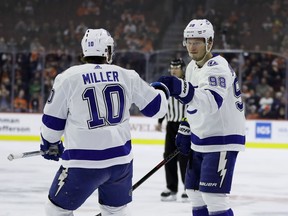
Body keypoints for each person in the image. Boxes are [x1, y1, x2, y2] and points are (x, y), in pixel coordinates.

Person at [39, 28, 170, 216]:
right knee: (115, 211)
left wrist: (50, 143)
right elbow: (157, 108)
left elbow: (52, 123)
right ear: (108, 51)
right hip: (120, 163)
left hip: (83, 163)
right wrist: (160, 89)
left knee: (56, 209)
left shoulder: (68, 77)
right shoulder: (127, 75)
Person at [158, 19, 246, 216]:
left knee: (214, 198)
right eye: (188, 41)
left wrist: (180, 87)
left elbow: (211, 102)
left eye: (197, 41)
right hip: (202, 137)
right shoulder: (190, 67)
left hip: (221, 139)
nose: (191, 46)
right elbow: (193, 104)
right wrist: (186, 127)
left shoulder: (217, 66)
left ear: (210, 42)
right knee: (194, 193)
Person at [155, 58, 189, 202]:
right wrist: (160, 121)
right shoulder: (166, 84)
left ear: (183, 69)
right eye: (172, 67)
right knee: (168, 156)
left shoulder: (187, 83)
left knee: (184, 158)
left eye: (177, 67)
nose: (174, 70)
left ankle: (188, 187)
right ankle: (171, 188)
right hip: (171, 124)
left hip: (185, 125)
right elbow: (164, 103)